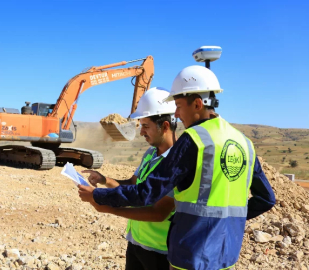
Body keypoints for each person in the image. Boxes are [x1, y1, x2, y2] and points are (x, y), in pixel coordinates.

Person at [79, 66, 276, 270]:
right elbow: (266, 199)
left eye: (179, 106)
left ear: (198, 104)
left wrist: (100, 198)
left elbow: (148, 193)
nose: (176, 114)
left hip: (192, 253)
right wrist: (229, 223)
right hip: (226, 256)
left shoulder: (195, 139)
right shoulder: (244, 143)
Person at [83, 87, 176, 270]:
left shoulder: (176, 162)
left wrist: (108, 208)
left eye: (146, 126)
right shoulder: (150, 153)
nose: (141, 132)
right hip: (136, 242)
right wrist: (105, 180)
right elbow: (134, 184)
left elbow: (159, 213)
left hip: (160, 252)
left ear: (164, 126)